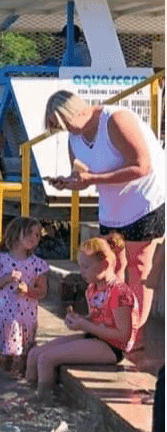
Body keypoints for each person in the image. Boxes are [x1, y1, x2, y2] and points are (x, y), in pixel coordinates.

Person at [44, 90, 165, 337]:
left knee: (139, 268)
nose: (65, 130)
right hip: (112, 207)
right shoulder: (74, 137)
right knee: (111, 265)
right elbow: (83, 177)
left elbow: (142, 166)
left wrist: (94, 178)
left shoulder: (115, 120)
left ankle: (133, 333)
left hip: (145, 201)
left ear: (73, 113)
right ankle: (112, 325)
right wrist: (68, 182)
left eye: (63, 123)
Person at [25, 236, 140, 398]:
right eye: (80, 266)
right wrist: (80, 320)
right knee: (34, 354)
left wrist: (86, 326)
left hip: (113, 348)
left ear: (105, 265)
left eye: (86, 267)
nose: (81, 272)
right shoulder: (92, 289)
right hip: (95, 338)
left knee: (46, 359)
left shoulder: (119, 293)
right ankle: (27, 397)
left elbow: (123, 336)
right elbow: (96, 319)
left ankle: (44, 404)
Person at [0, 217, 49, 375]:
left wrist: (27, 290)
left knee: (23, 360)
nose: (34, 237)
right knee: (5, 359)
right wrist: (6, 279)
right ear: (16, 233)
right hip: (7, 319)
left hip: (27, 320)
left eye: (38, 235)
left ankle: (17, 387)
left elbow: (43, 291)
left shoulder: (38, 264)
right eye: (30, 233)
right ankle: (1, 386)